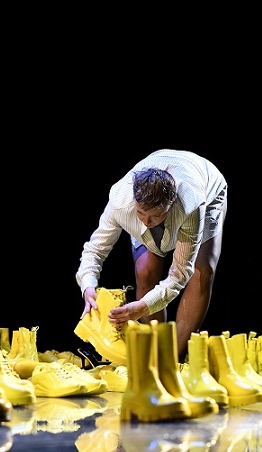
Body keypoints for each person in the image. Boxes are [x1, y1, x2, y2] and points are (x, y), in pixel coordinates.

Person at [76, 149, 227, 362]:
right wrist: (88, 286)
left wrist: (144, 306)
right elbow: (95, 250)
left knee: (202, 272)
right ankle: (157, 353)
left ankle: (172, 360)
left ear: (172, 202)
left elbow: (179, 274)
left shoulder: (192, 205)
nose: (146, 222)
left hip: (207, 185)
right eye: (141, 214)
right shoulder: (121, 202)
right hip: (152, 201)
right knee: (145, 271)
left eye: (154, 216)